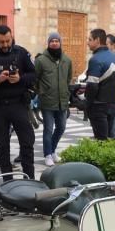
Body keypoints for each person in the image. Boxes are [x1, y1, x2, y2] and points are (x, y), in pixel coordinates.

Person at [0, 25, 36, 178]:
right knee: (2, 146)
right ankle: (7, 180)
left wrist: (20, 79)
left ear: (12, 38)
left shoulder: (21, 53)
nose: (5, 45)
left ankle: (29, 177)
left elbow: (34, 75)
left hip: (19, 104)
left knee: (27, 142)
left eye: (7, 41)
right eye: (1, 42)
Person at [34, 31, 72, 166]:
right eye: (52, 41)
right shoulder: (41, 60)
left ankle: (53, 150)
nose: (54, 43)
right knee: (48, 129)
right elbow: (35, 79)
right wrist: (41, 92)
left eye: (57, 41)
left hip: (62, 101)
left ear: (60, 43)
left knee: (61, 127)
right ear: (48, 43)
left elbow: (68, 79)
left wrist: (65, 92)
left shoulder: (67, 60)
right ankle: (47, 154)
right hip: (47, 101)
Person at [85, 28, 115, 140]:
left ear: (98, 40)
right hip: (113, 104)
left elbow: (92, 86)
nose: (88, 42)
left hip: (99, 105)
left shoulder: (95, 59)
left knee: (101, 139)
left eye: (90, 39)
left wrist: (86, 103)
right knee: (109, 137)